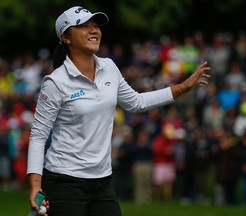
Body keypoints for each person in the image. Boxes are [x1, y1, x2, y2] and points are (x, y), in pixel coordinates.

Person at [27, 5, 211, 216]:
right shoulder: (55, 82)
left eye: (95, 25)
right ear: (65, 37)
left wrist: (182, 88)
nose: (93, 30)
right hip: (63, 181)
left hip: (102, 181)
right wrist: (35, 184)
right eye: (84, 26)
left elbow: (136, 102)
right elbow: (39, 135)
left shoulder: (109, 68)